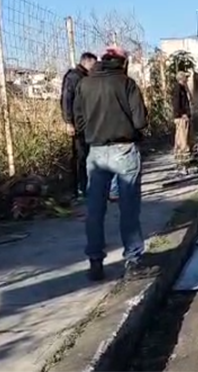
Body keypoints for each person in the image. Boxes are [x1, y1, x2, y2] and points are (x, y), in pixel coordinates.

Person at [73, 46, 148, 281]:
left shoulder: (84, 84)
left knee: (94, 210)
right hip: (124, 149)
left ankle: (95, 261)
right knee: (128, 208)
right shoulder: (126, 83)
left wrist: (94, 133)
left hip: (95, 152)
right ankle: (133, 261)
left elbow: (79, 121)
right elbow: (140, 120)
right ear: (122, 62)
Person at [61, 52, 97, 199]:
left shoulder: (86, 78)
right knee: (79, 157)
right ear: (86, 62)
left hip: (88, 123)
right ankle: (78, 189)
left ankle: (87, 186)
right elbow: (66, 100)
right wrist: (69, 122)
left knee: (88, 156)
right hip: (78, 124)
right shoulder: (74, 77)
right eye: (94, 64)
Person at [172, 71, 194, 169]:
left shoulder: (183, 88)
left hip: (184, 116)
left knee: (186, 139)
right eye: (186, 77)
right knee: (182, 140)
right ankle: (182, 162)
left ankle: (185, 160)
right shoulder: (177, 88)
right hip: (181, 117)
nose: (187, 79)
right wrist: (180, 114)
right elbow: (176, 103)